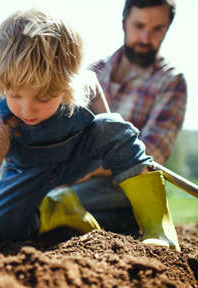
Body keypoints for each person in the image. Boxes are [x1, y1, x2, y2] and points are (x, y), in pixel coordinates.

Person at [0, 9, 180, 268]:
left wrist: (128, 163)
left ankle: (157, 228)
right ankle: (57, 208)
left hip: (78, 160)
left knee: (111, 125)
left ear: (69, 84)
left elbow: (111, 134)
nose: (27, 110)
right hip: (28, 173)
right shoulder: (5, 123)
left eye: (43, 97)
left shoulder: (87, 86)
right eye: (15, 95)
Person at [71, 0, 187, 232]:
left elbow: (152, 154)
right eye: (139, 26)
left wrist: (83, 168)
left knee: (43, 206)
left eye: (157, 29)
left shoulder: (171, 82)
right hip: (73, 177)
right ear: (124, 23)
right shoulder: (90, 73)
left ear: (167, 29)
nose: (145, 38)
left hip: (125, 185)